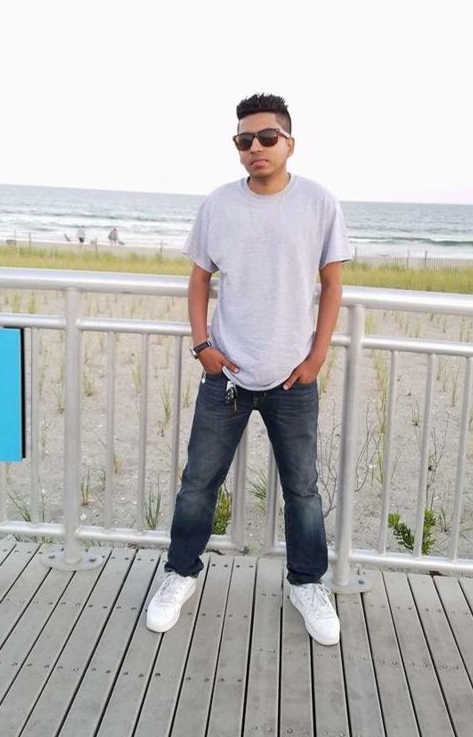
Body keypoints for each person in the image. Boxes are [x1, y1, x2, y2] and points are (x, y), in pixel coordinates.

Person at [146, 93, 351, 645]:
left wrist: (317, 356)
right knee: (198, 483)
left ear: (290, 143)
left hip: (292, 378)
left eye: (266, 137)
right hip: (226, 375)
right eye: (244, 140)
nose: (255, 147)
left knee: (302, 488)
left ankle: (307, 583)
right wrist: (202, 345)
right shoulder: (219, 204)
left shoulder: (319, 202)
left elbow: (332, 283)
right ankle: (179, 573)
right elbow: (199, 279)